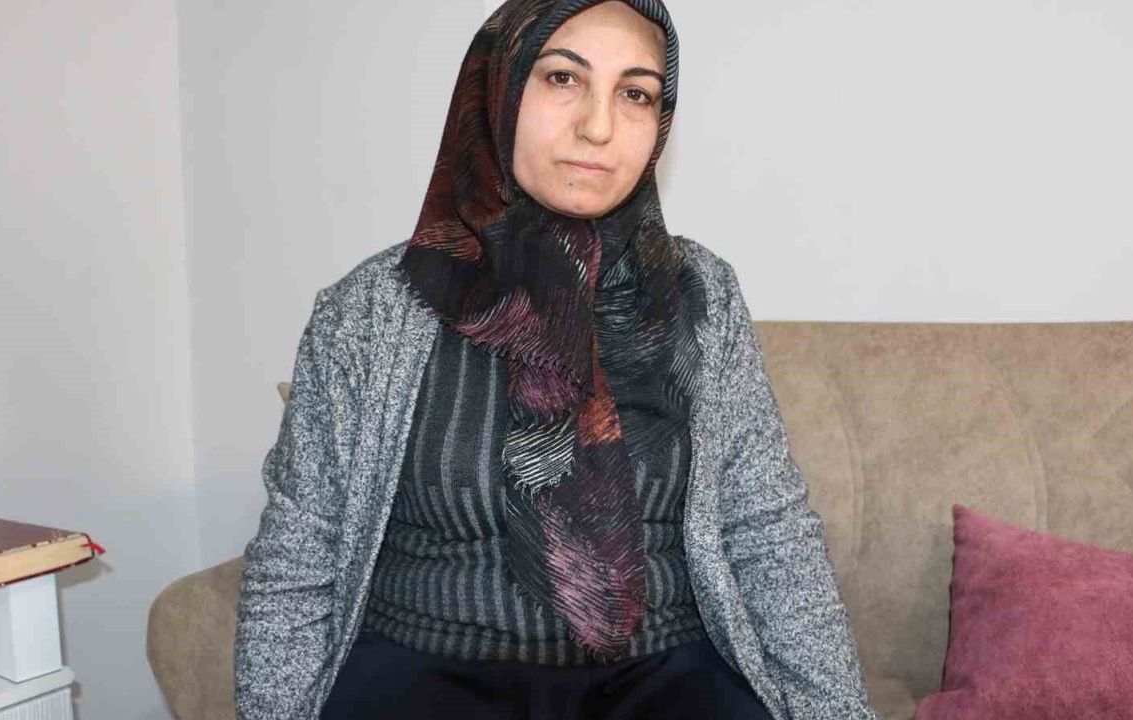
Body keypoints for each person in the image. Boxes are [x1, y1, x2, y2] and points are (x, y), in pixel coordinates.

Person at [234, 1, 880, 719]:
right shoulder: (369, 311)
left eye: (635, 93)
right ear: (498, 89)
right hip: (427, 672)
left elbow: (769, 532)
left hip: (667, 677)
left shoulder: (703, 294)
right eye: (562, 79)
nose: (599, 126)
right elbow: (299, 556)